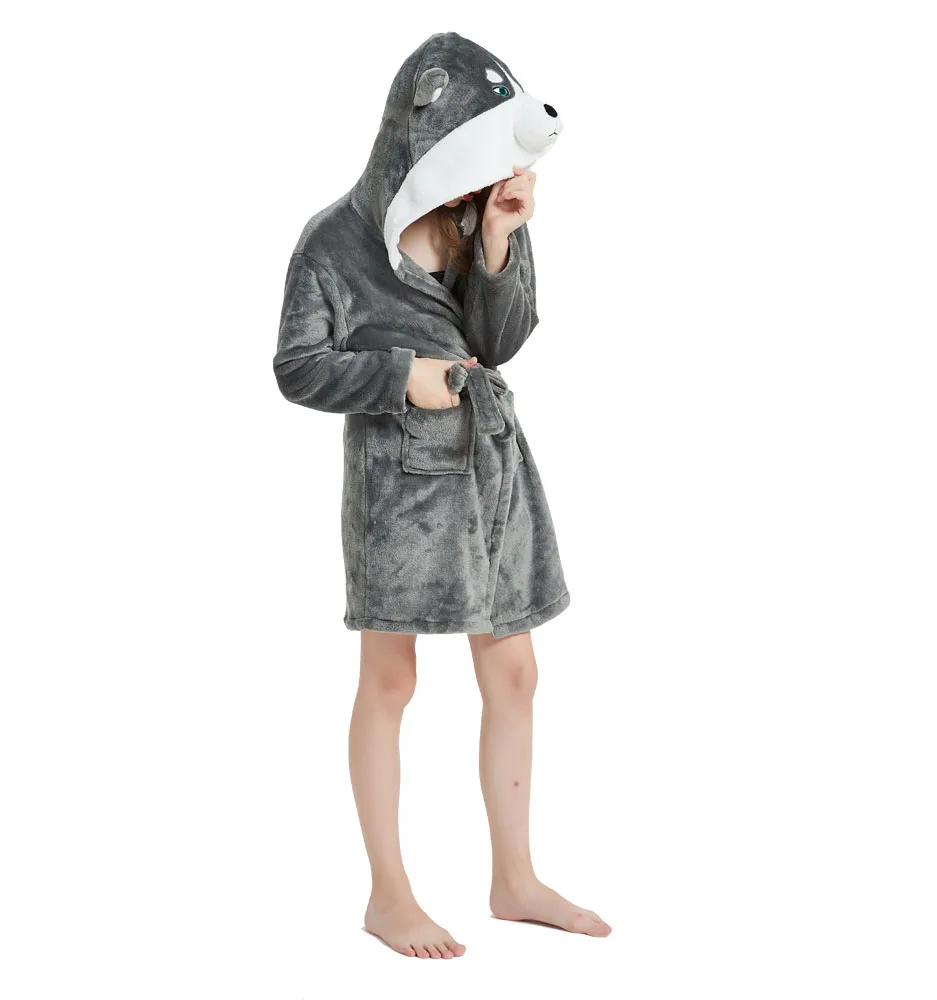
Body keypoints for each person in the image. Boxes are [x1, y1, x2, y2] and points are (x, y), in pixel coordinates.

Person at [273, 31, 610, 959]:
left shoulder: (475, 217)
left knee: (516, 672)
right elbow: (297, 367)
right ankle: (388, 895)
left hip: (491, 470)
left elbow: (501, 343)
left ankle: (515, 879)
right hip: (400, 491)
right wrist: (399, 376)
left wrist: (500, 238)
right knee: (391, 680)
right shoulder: (335, 241)